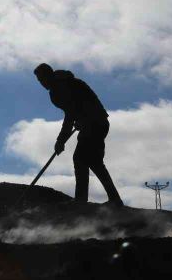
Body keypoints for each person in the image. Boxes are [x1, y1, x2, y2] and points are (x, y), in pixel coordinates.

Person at [33, 63, 123, 207]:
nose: (41, 83)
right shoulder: (62, 85)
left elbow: (71, 114)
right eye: (39, 81)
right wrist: (67, 133)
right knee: (94, 162)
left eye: (41, 79)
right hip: (97, 123)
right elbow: (73, 112)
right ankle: (114, 199)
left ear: (48, 75)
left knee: (80, 158)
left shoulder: (61, 87)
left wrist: (61, 140)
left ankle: (81, 201)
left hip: (94, 124)